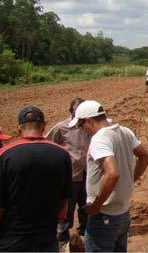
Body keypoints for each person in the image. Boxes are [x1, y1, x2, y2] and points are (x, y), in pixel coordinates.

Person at [71, 100, 148, 252]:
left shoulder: (100, 138)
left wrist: (96, 205)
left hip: (104, 217)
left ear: (88, 121)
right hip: (122, 214)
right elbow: (145, 156)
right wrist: (130, 179)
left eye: (81, 126)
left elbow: (112, 173)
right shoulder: (124, 131)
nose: (82, 130)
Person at [0, 106, 72, 252]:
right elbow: (63, 202)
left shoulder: (4, 155)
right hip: (46, 242)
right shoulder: (62, 154)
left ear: (18, 128)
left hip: (11, 243)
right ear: (44, 126)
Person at [45, 98, 88, 245]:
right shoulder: (61, 128)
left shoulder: (88, 125)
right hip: (70, 175)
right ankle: (63, 235)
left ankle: (84, 230)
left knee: (86, 203)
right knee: (67, 207)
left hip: (87, 173)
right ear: (71, 111)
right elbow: (48, 144)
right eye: (77, 110)